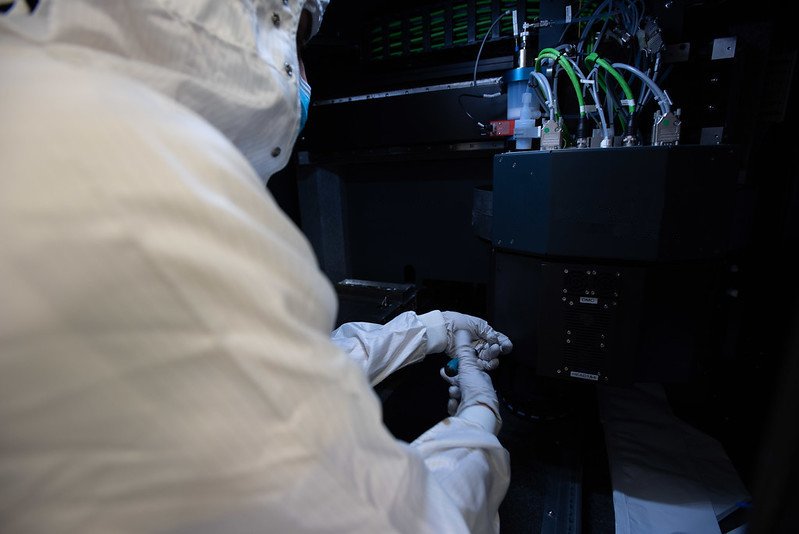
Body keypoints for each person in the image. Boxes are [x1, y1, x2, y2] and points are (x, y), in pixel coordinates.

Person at [0, 1, 513, 532]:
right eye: (301, 44)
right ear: (242, 23)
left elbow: (270, 378)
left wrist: (429, 330)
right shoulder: (143, 190)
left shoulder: (38, 97)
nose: (306, 78)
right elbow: (408, 522)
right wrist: (478, 421)